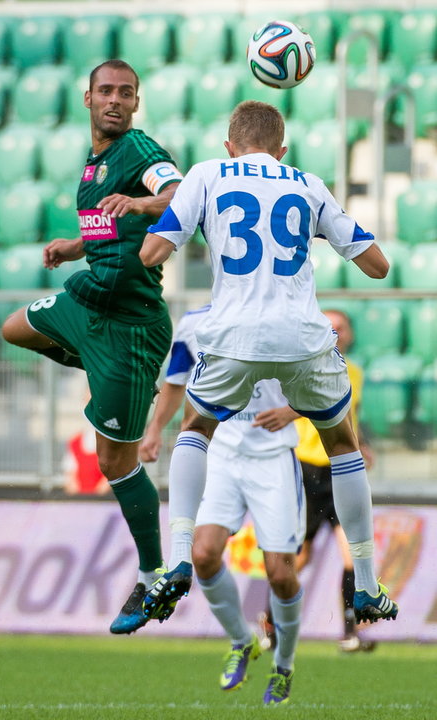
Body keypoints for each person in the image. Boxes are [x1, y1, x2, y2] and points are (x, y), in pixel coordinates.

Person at [139, 100, 398, 638]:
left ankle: (180, 556)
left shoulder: (208, 174)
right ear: (283, 150)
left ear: (228, 145)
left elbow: (152, 252)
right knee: (344, 446)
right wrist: (319, 228)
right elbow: (378, 266)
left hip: (233, 335)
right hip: (302, 337)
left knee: (196, 429)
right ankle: (369, 582)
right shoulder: (306, 182)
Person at [1, 59, 182, 635]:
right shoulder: (94, 165)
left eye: (126, 93)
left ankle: (153, 572)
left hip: (130, 324)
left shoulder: (137, 150)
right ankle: (109, 378)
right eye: (106, 91)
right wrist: (75, 246)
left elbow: (178, 195)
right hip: (87, 300)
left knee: (114, 462)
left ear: (135, 102)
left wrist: (143, 204)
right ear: (87, 99)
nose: (115, 100)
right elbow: (111, 231)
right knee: (13, 328)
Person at [140, 304, 305, 706]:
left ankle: (283, 665)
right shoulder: (195, 322)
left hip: (274, 460)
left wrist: (293, 410)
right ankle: (240, 640)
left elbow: (325, 384)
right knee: (203, 552)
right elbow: (176, 383)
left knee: (281, 575)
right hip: (222, 454)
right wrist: (154, 430)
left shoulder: (291, 315)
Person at [295, 308, 377, 652]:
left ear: (351, 335)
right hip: (305, 469)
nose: (336, 333)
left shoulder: (354, 373)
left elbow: (347, 417)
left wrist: (362, 446)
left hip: (340, 470)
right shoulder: (300, 369)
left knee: (352, 554)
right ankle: (269, 619)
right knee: (300, 557)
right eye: (329, 327)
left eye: (341, 328)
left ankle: (349, 633)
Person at [62, 424, 110, 496]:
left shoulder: (110, 443)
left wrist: (99, 494)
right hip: (80, 498)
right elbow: (70, 475)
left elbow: (110, 478)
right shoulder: (75, 442)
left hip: (103, 499)